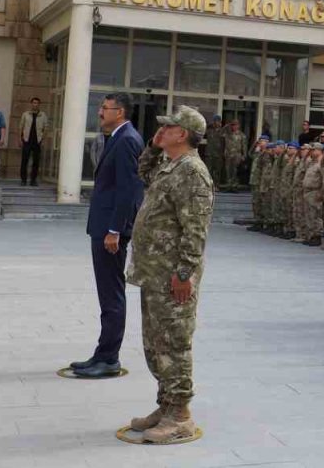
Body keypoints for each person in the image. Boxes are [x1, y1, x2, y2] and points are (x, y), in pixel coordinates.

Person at [124, 106, 214, 444]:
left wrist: (184, 272)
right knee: (155, 343)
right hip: (153, 272)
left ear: (183, 134)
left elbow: (196, 228)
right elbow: (142, 170)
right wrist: (152, 143)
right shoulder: (169, 166)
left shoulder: (192, 172)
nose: (162, 130)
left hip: (173, 276)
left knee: (174, 343)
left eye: (168, 127)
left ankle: (180, 416)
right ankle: (165, 405)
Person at [72, 92, 145, 379]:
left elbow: (129, 191)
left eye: (105, 108)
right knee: (106, 293)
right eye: (101, 107)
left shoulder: (127, 140)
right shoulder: (118, 137)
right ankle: (102, 353)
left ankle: (110, 358)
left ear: (121, 112)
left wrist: (115, 229)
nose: (100, 112)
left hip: (111, 231)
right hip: (104, 226)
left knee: (112, 294)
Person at [18, 97, 48, 186]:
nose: (35, 104)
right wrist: (20, 139)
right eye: (34, 103)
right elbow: (21, 127)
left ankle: (33, 180)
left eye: (37, 103)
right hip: (26, 140)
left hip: (37, 141)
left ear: (39, 104)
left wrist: (43, 139)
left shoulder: (43, 115)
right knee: (24, 161)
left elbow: (46, 128)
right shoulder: (26, 114)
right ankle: (23, 180)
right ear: (31, 104)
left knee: (36, 161)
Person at [223, 120, 247, 192]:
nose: (234, 126)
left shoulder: (242, 135)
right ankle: (228, 186)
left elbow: (244, 146)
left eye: (236, 125)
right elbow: (220, 133)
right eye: (233, 125)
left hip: (237, 155)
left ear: (238, 126)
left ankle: (235, 186)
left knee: (235, 171)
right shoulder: (227, 134)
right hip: (228, 155)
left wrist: (244, 156)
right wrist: (227, 125)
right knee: (228, 170)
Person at [204, 116, 225, 191]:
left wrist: (223, 154)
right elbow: (201, 131)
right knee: (208, 171)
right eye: (215, 121)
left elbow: (225, 142)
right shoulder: (209, 130)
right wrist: (209, 125)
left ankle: (216, 186)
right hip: (209, 154)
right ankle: (208, 186)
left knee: (217, 171)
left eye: (218, 121)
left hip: (218, 154)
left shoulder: (223, 131)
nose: (217, 123)